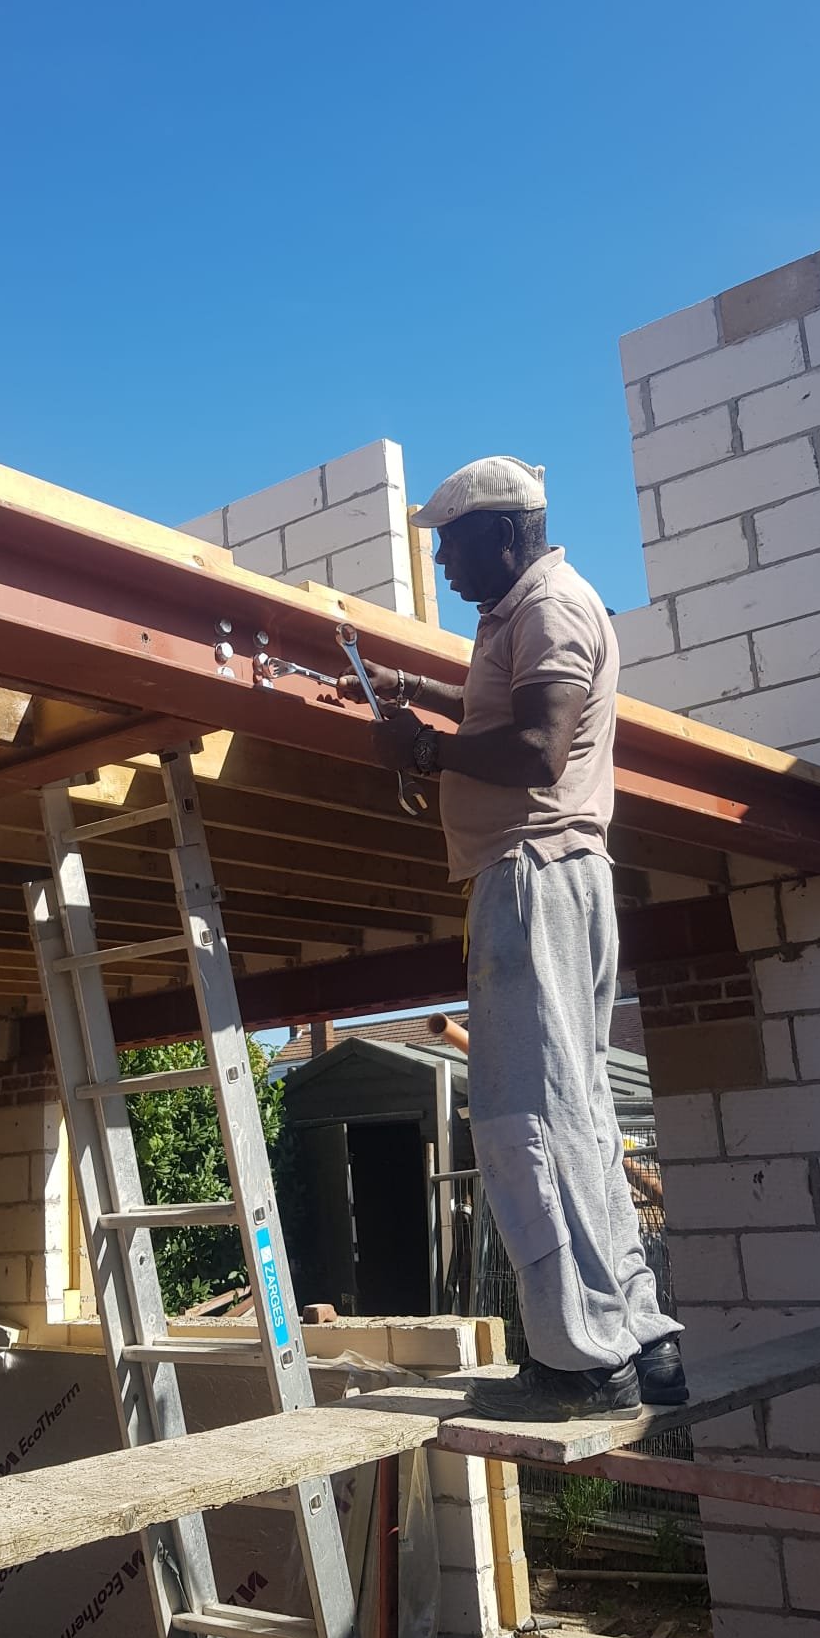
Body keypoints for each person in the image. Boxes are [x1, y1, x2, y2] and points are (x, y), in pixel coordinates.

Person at [343, 455, 686, 1421]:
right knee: (577, 1112)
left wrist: (420, 749)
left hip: (532, 876)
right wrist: (425, 689)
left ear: (502, 533)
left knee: (523, 1119)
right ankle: (640, 1342)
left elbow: (539, 746)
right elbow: (515, 713)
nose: (442, 565)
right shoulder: (528, 613)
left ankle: (580, 1363)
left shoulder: (549, 608)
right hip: (558, 877)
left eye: (451, 545)